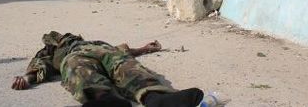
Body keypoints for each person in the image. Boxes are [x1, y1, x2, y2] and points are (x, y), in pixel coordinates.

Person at [11, 31, 204, 107]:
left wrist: (144, 49)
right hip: (76, 57)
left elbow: (121, 50)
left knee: (127, 66)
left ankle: (157, 99)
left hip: (104, 50)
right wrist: (27, 78)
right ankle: (106, 101)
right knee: (80, 72)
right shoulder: (53, 50)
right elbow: (40, 64)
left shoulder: (88, 41)